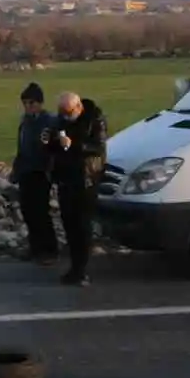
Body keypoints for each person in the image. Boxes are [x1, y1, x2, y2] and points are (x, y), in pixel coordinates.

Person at [47, 91, 108, 287]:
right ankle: (74, 267)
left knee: (82, 226)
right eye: (61, 111)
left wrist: (74, 145)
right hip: (65, 178)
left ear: (79, 107)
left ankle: (82, 270)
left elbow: (98, 147)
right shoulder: (61, 121)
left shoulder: (94, 120)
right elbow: (51, 146)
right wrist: (51, 141)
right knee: (69, 225)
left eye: (68, 111)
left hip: (85, 179)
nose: (64, 115)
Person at [12, 82, 58, 265]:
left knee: (41, 212)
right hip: (26, 171)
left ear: (39, 103)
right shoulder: (25, 122)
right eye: (25, 103)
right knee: (28, 211)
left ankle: (49, 249)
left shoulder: (48, 122)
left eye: (31, 103)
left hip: (40, 171)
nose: (28, 107)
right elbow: (21, 147)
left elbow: (49, 147)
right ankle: (35, 247)